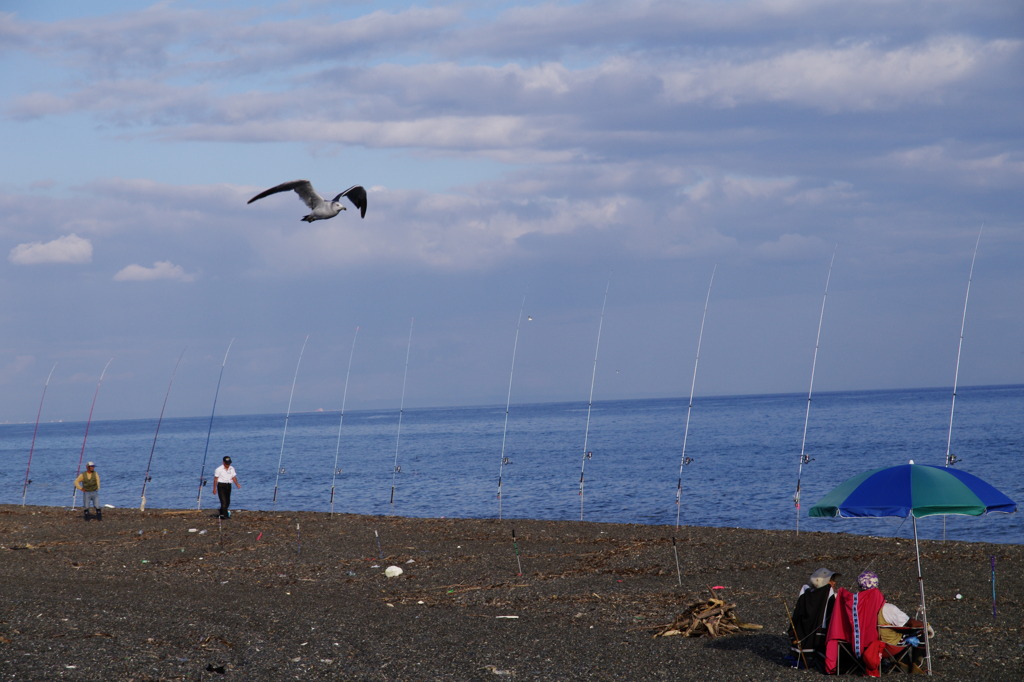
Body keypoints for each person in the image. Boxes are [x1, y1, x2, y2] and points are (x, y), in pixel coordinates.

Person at [788, 567, 840, 669]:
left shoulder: (806, 592)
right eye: (831, 580)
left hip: (802, 633)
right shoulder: (826, 593)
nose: (834, 583)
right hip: (817, 637)